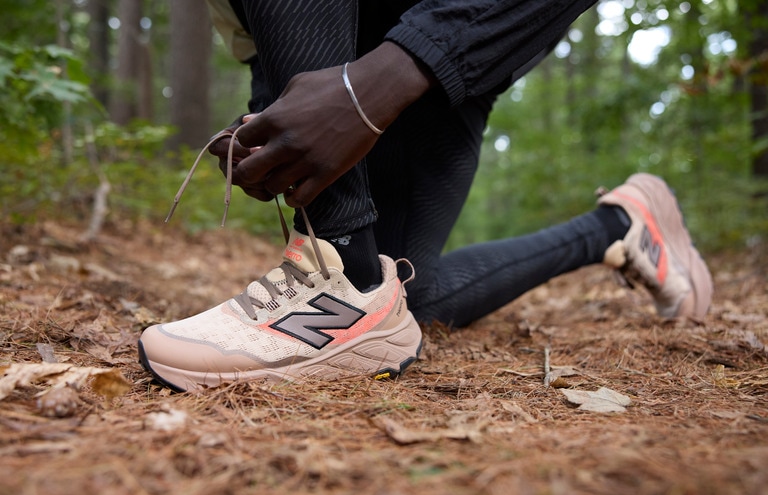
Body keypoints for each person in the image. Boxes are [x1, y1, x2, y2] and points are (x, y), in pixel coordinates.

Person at [138, 0, 713, 392]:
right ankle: (614, 227)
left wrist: (382, 80)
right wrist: (277, 111)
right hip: (300, 35)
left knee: (373, 292)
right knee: (399, 308)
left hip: (446, 41)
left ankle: (346, 271)